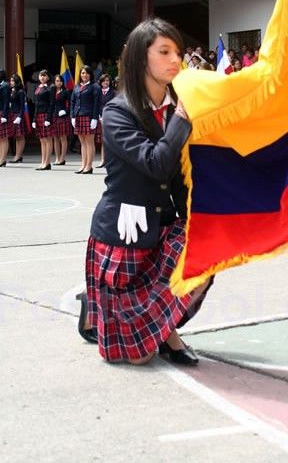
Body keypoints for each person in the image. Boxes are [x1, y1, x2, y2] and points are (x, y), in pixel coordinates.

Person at [78, 18, 210, 365]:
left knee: (208, 253)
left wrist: (196, 218)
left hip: (164, 222)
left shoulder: (177, 107)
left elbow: (181, 173)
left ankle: (167, 332)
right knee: (138, 358)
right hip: (124, 228)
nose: (176, 60)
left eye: (178, 52)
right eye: (164, 52)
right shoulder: (117, 111)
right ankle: (95, 304)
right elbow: (156, 163)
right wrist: (181, 118)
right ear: (140, 58)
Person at [70, 65, 100, 174]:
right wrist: (72, 116)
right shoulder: (77, 86)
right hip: (78, 116)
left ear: (90, 74)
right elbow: (72, 102)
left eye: (87, 73)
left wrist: (94, 118)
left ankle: (89, 166)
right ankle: (83, 165)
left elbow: (97, 103)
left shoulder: (95, 86)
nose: (84, 75)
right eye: (82, 73)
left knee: (89, 142)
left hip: (89, 116)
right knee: (82, 142)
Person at [32, 69, 55, 171]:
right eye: (41, 75)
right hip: (38, 115)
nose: (42, 77)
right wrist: (34, 119)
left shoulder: (51, 87)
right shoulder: (38, 87)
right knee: (42, 140)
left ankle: (47, 162)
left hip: (46, 115)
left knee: (47, 139)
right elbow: (36, 105)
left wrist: (48, 118)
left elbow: (52, 103)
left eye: (44, 75)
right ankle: (43, 161)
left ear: (48, 77)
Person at [95, 73, 116, 168]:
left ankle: (111, 160)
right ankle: (103, 159)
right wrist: (99, 116)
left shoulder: (113, 93)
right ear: (101, 82)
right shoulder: (98, 92)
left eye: (107, 81)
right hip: (100, 118)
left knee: (111, 141)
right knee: (103, 140)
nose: (105, 82)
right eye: (103, 81)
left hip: (110, 119)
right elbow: (97, 105)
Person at [53, 74, 71, 166]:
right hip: (54, 116)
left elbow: (70, 104)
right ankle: (57, 157)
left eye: (60, 81)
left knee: (63, 137)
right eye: (57, 81)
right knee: (55, 137)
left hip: (63, 116)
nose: (59, 83)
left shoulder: (66, 92)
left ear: (63, 82)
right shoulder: (52, 91)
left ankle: (62, 158)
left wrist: (65, 111)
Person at [8, 73, 26, 163]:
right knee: (16, 136)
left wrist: (19, 116)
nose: (11, 82)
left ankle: (18, 156)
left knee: (20, 136)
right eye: (10, 80)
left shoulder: (21, 92)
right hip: (12, 114)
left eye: (12, 81)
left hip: (18, 115)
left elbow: (22, 106)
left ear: (17, 81)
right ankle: (18, 155)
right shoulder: (12, 90)